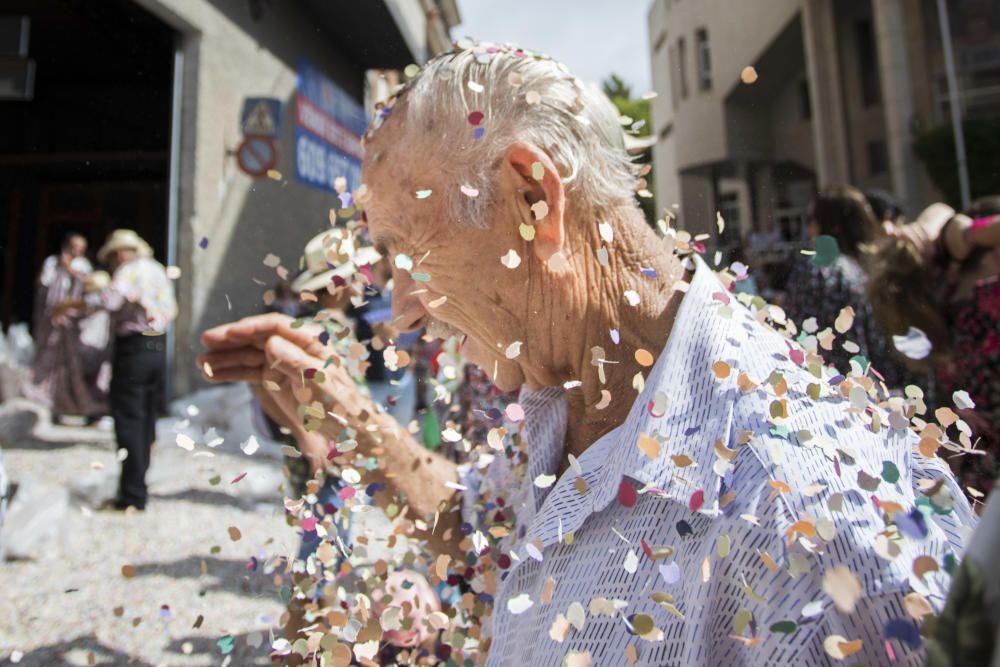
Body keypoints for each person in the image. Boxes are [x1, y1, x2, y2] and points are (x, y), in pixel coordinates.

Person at [199, 43, 975, 666]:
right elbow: (477, 534)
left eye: (406, 250)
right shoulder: (571, 388)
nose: (398, 312)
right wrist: (334, 402)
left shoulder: (812, 519)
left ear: (534, 200)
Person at [869, 199, 1000, 497]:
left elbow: (941, 211)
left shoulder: (948, 303)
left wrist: (959, 235)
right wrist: (970, 234)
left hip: (975, 491)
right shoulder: (989, 304)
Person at [59, 229, 176, 511]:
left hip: (134, 348)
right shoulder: (157, 270)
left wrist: (71, 304)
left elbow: (109, 300)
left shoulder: (129, 272)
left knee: (128, 419)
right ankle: (138, 484)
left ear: (121, 253)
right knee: (146, 418)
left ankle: (132, 494)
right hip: (157, 347)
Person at [783, 185, 915, 391]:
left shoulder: (817, 270)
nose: (809, 230)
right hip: (877, 392)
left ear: (830, 225)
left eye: (811, 221)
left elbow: (798, 336)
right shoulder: (869, 272)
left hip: (830, 392)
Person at [23, 232, 109, 421]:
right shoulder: (51, 264)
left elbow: (88, 291)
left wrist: (70, 270)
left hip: (76, 327)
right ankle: (51, 406)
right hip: (53, 326)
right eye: (74, 246)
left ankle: (85, 409)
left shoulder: (83, 267)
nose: (77, 251)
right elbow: (43, 287)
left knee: (79, 368)